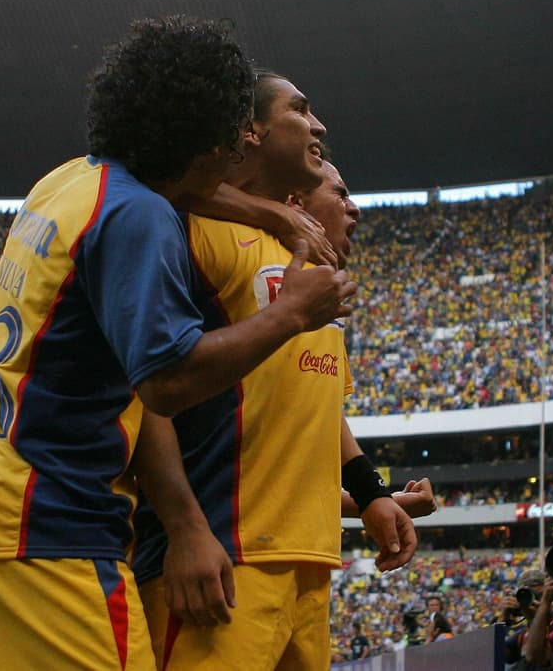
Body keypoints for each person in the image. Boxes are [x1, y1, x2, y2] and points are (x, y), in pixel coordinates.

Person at [0, 17, 356, 671]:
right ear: (203, 144)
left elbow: (183, 202)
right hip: (47, 530)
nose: (236, 155)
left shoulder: (68, 181)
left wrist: (269, 212)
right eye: (229, 141)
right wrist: (290, 313)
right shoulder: (140, 217)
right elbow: (167, 380)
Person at [130, 76, 417, 671]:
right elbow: (148, 385)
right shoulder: (189, 231)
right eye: (341, 192)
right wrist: (184, 530)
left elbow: (318, 410)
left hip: (309, 561)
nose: (353, 206)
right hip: (223, 556)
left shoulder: (314, 285)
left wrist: (372, 492)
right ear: (250, 131)